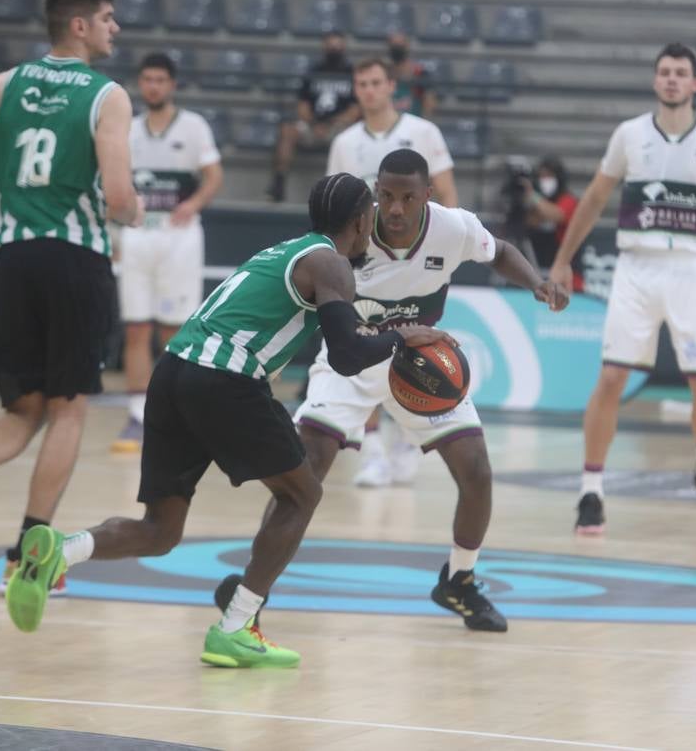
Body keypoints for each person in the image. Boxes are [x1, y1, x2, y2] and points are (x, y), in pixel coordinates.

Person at [3, 173, 450, 668]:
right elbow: (345, 356)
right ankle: (237, 625)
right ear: (362, 219)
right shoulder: (332, 264)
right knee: (303, 494)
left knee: (160, 530)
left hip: (172, 373)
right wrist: (404, 337)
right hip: (226, 378)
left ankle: (60, 552)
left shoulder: (287, 250)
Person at [218, 150, 569, 634]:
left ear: (428, 195)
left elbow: (502, 250)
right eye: (386, 196)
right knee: (305, 471)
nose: (396, 208)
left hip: (418, 364)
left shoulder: (455, 227)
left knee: (477, 471)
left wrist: (536, 282)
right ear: (375, 194)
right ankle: (252, 591)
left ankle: (460, 581)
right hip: (351, 362)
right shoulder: (349, 235)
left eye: (407, 197)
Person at [0, 0, 143, 599]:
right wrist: (133, 214)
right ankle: (27, 554)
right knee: (69, 409)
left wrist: (9, 200)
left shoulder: (5, 84)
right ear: (79, 26)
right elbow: (121, 196)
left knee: (24, 406)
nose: (114, 28)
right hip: (75, 261)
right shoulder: (108, 95)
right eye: (107, 18)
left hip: (14, 258)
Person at [548, 43, 696, 535]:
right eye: (664, 72)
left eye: (680, 73)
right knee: (610, 380)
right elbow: (596, 198)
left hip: (694, 268)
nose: (671, 79)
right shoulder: (629, 135)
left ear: (695, 84)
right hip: (637, 268)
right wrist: (562, 260)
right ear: (654, 81)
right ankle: (591, 489)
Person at [326, 58, 457, 487]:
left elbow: (448, 198)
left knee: (415, 351)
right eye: (360, 83)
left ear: (391, 87)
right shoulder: (345, 142)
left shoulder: (423, 132)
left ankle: (406, 439)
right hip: (367, 264)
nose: (368, 90)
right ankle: (373, 452)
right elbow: (336, 208)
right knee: (366, 352)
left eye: (375, 82)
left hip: (418, 263)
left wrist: (449, 248)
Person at [112, 52, 224, 454]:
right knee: (136, 328)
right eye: (147, 79)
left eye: (160, 79)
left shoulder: (193, 126)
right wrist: (114, 231)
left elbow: (214, 176)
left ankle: (175, 412)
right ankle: (138, 415)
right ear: (140, 84)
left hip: (179, 237)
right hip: (139, 234)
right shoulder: (128, 129)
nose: (153, 86)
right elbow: (115, 181)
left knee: (174, 330)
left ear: (172, 84)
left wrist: (192, 204)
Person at [266, 31, 358, 203]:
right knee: (287, 130)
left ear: (344, 47)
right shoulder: (313, 71)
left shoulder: (351, 73)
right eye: (331, 46)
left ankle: (346, 191)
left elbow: (355, 109)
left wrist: (331, 124)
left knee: (351, 136)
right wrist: (314, 124)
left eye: (337, 46)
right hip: (312, 124)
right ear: (324, 47)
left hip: (339, 127)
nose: (334, 50)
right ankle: (278, 183)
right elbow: (303, 105)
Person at [521, 156, 584, 292]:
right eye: (541, 176)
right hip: (538, 273)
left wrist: (533, 196)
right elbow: (530, 221)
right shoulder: (535, 206)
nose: (545, 180)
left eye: (549, 176)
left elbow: (557, 215)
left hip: (567, 276)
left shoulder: (569, 200)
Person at [387, 31, 436, 120]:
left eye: (400, 45)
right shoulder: (383, 74)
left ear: (407, 46)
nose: (397, 48)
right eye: (394, 45)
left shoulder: (421, 73)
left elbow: (429, 104)